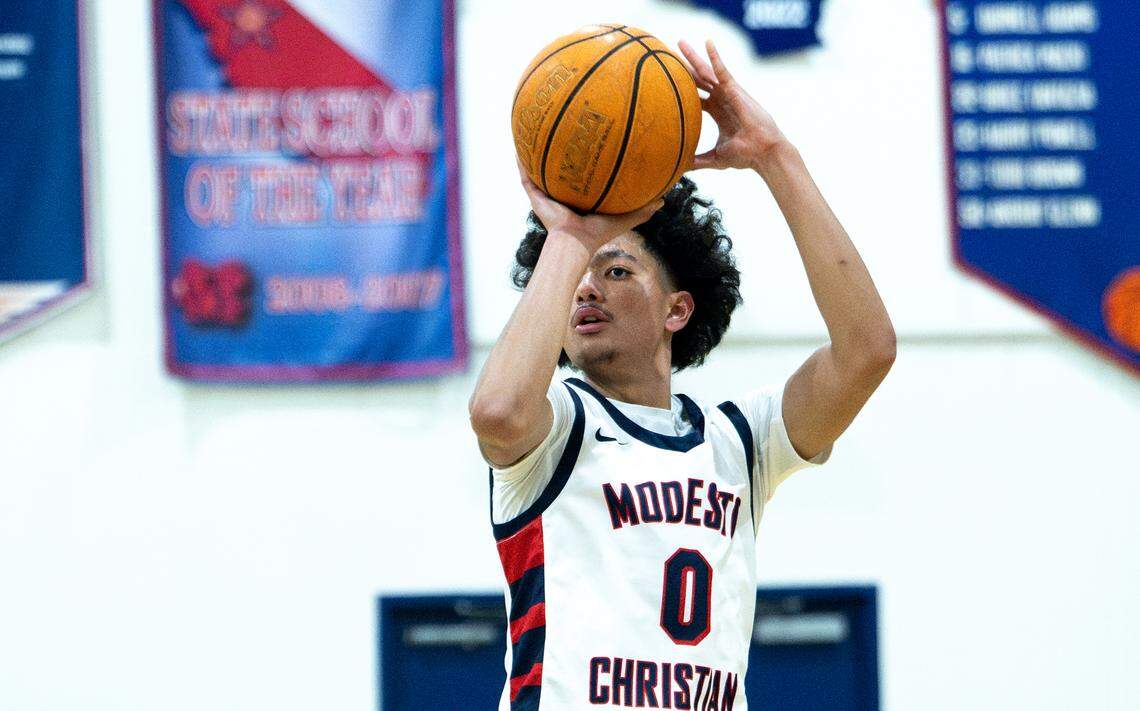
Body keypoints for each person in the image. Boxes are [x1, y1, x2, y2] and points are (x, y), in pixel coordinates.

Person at [469, 39, 896, 710]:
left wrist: (773, 155)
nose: (586, 289)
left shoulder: (739, 442)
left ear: (678, 307)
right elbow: (495, 412)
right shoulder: (556, 425)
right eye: (577, 273)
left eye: (615, 270)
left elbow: (868, 349)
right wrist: (570, 235)